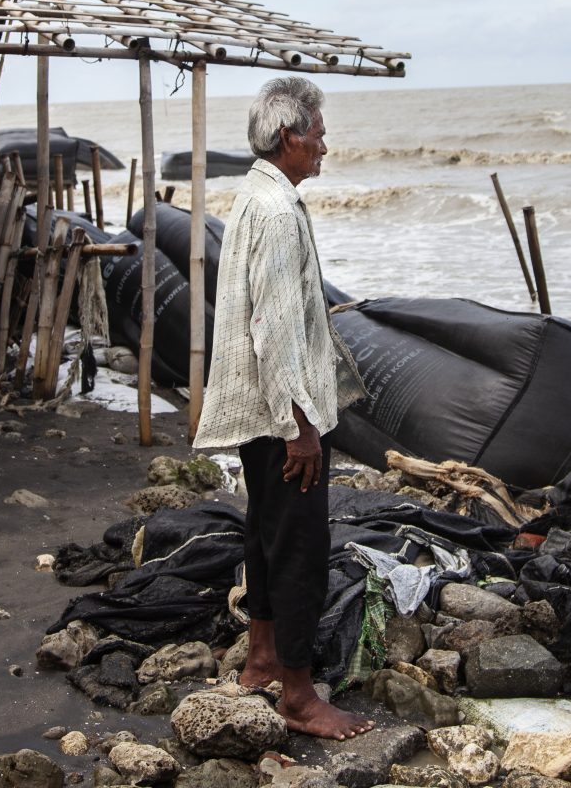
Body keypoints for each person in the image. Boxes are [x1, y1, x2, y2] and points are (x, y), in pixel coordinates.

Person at [192, 76, 373, 741]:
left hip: (256, 407)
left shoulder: (256, 193)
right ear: (290, 136)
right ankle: (299, 696)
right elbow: (274, 324)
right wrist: (302, 425)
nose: (325, 145)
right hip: (280, 413)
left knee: (267, 532)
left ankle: (262, 658)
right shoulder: (274, 211)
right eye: (319, 133)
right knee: (300, 545)